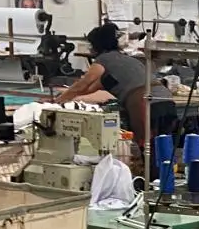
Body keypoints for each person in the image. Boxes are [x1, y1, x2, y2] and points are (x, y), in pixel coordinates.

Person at [50, 23, 176, 154]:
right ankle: (162, 167)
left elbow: (83, 84)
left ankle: (151, 167)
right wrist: (66, 93)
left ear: (97, 46)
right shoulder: (125, 60)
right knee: (163, 147)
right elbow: (89, 89)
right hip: (166, 99)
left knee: (148, 148)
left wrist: (57, 102)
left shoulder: (104, 59)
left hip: (147, 103)